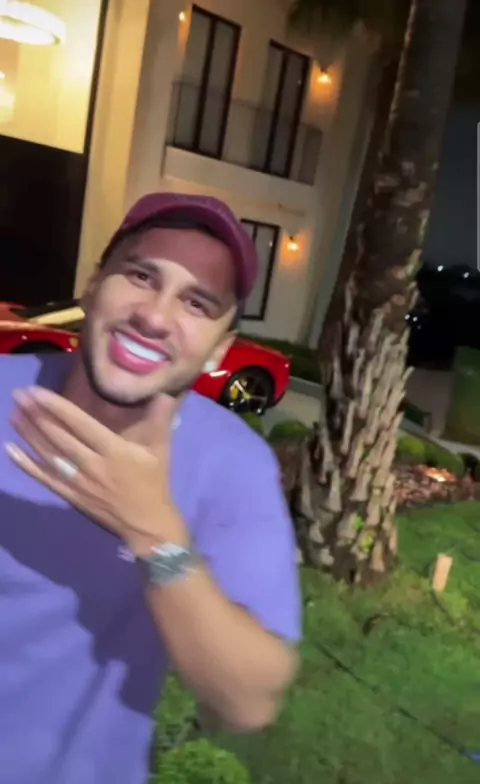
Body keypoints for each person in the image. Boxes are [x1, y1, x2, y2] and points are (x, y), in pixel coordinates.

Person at [0, 192, 301, 784]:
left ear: (219, 349)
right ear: (93, 287)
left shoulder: (233, 464)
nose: (155, 317)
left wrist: (151, 528)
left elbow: (248, 701)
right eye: (141, 276)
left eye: (197, 302)